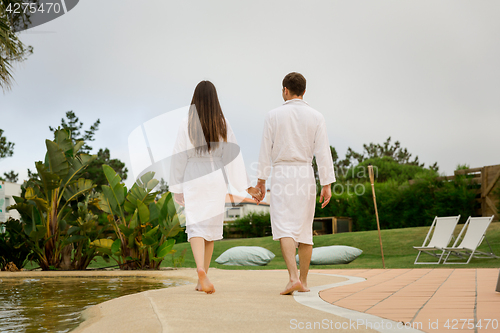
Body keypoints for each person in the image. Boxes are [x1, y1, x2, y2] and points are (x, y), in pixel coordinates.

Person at [169, 80, 262, 294]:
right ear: (214, 99)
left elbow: (178, 156)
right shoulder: (223, 122)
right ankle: (204, 275)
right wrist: (246, 187)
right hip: (215, 179)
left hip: (194, 176)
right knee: (210, 229)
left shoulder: (186, 123)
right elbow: (233, 157)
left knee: (195, 226)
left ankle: (200, 270)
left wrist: (176, 186)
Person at [256, 72, 335, 295]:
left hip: (282, 173)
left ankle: (292, 278)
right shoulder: (316, 116)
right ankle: (304, 281)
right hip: (305, 174)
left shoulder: (273, 115)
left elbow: (265, 150)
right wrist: (327, 184)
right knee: (304, 229)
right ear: (304, 91)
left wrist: (261, 181)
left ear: (285, 90)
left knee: (284, 226)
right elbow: (323, 152)